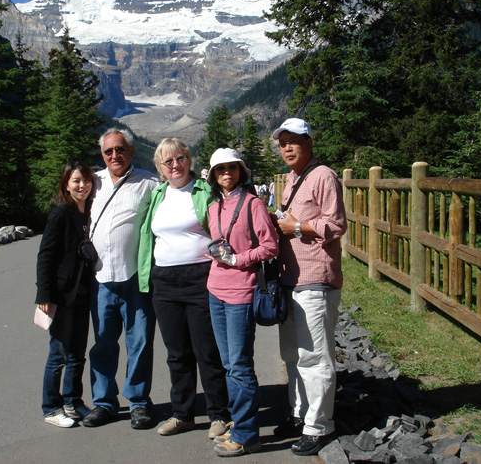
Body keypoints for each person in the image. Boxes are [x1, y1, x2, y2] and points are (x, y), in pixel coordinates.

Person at [138, 138, 231, 439]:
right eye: (168, 161)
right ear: (160, 168)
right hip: (163, 280)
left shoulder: (204, 190)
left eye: (180, 158)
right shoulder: (158, 195)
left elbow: (225, 223)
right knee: (177, 352)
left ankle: (219, 414)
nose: (175, 165)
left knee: (207, 349)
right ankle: (183, 414)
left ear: (189, 161)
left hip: (200, 276)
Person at [270, 118, 347, 456]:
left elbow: (336, 224)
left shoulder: (324, 176)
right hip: (290, 277)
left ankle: (319, 426)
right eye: (282, 142)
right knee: (292, 354)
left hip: (315, 278)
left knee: (314, 356)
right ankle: (300, 414)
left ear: (309, 143)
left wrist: (296, 226)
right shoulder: (292, 179)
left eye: (294, 141)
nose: (287, 147)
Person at [83, 128, 160, 430]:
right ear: (102, 154)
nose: (115, 155)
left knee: (139, 341)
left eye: (120, 149)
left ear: (130, 150)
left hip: (135, 278)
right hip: (100, 278)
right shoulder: (94, 182)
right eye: (108, 151)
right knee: (102, 343)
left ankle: (139, 402)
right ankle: (104, 403)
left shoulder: (149, 183)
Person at [205, 148, 279, 457]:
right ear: (212, 175)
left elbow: (270, 246)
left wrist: (239, 259)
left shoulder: (254, 204)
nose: (226, 173)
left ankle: (247, 434)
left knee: (239, 366)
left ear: (241, 171)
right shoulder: (213, 207)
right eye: (220, 169)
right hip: (215, 291)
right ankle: (240, 424)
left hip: (241, 294)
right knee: (228, 365)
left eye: (232, 168)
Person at [35, 161, 96, 428]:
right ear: (66, 185)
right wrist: (44, 294)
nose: (82, 185)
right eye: (76, 181)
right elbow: (46, 256)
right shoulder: (61, 214)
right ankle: (51, 407)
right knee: (58, 353)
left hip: (84, 293)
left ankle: (73, 401)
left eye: (86, 180)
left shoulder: (92, 214)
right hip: (62, 294)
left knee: (78, 353)